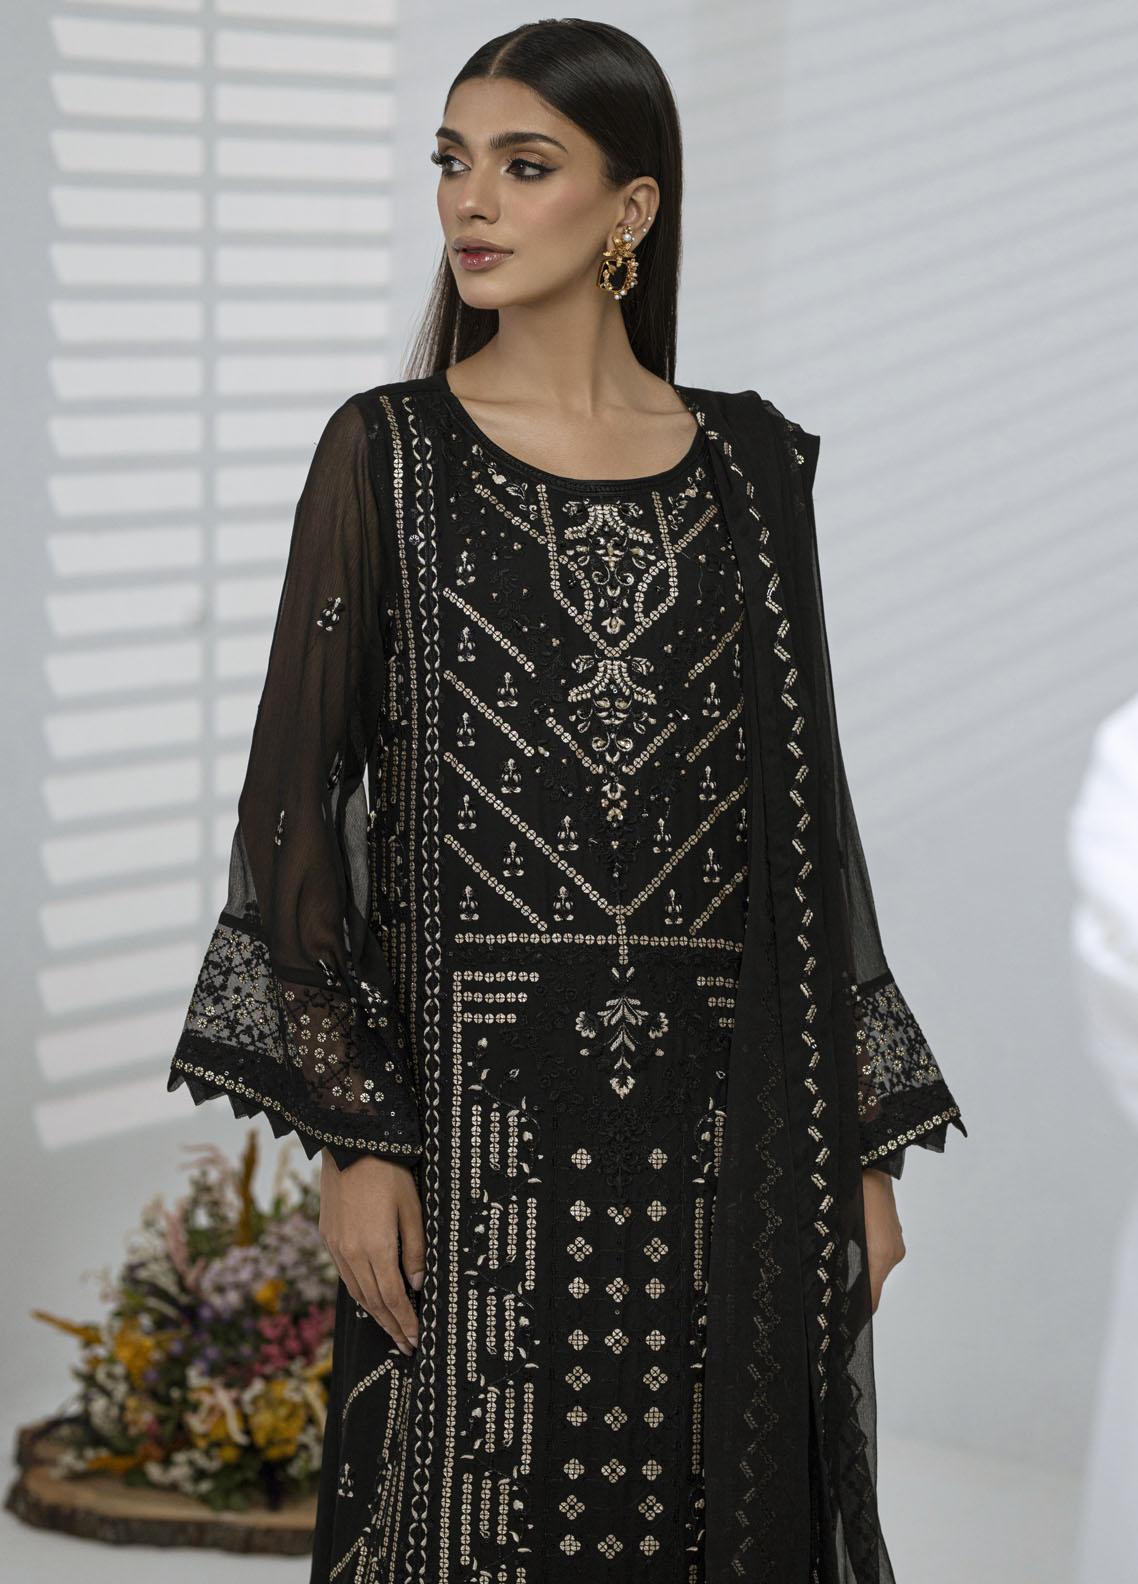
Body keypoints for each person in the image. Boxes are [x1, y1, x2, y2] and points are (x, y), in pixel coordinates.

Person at [167, 20, 967, 1582]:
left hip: (726, 1123)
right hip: (474, 1125)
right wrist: (356, 1139)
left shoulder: (749, 467)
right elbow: (297, 813)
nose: (469, 201)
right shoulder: (388, 453)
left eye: (523, 166)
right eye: (452, 162)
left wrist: (858, 1147)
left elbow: (804, 825)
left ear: (629, 208)